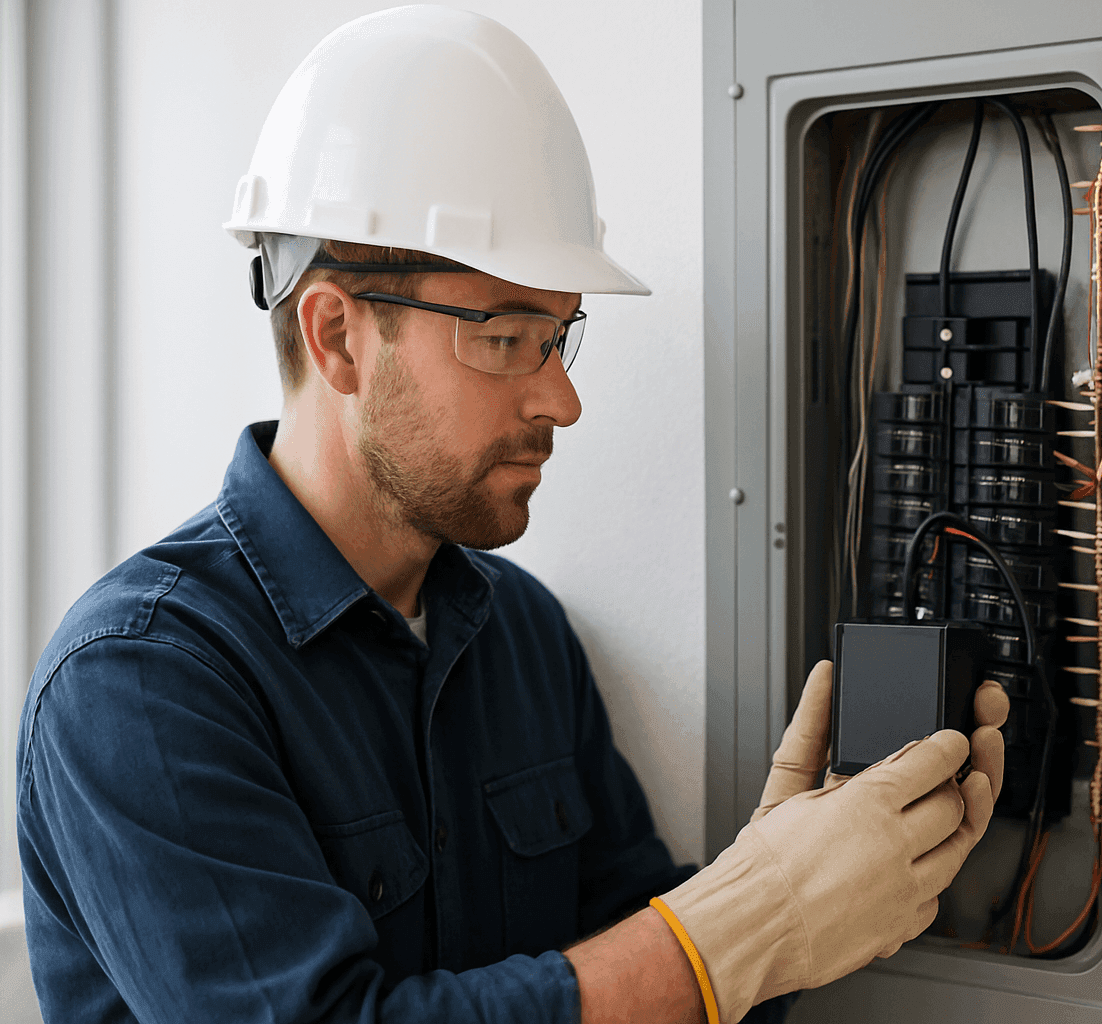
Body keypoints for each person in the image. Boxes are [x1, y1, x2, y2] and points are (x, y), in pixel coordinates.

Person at [15, 8, 1007, 1023]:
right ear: (339, 337)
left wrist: (798, 882)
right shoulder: (139, 682)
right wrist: (744, 922)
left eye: (559, 337)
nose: (562, 401)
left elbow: (655, 977)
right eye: (504, 338)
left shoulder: (519, 633)